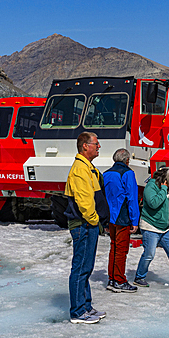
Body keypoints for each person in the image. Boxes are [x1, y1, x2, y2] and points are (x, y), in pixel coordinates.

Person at [64, 132, 110, 324]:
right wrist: (94, 221)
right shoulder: (80, 170)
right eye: (96, 144)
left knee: (86, 267)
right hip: (84, 224)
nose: (98, 147)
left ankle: (86, 306)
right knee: (81, 268)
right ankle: (77, 312)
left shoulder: (88, 168)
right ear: (85, 146)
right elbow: (85, 203)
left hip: (88, 224)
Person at [103, 148, 140, 293]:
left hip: (110, 216)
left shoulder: (106, 173)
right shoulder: (128, 173)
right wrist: (134, 220)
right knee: (122, 249)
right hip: (122, 216)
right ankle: (119, 280)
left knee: (114, 247)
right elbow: (132, 198)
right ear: (127, 160)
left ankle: (112, 278)